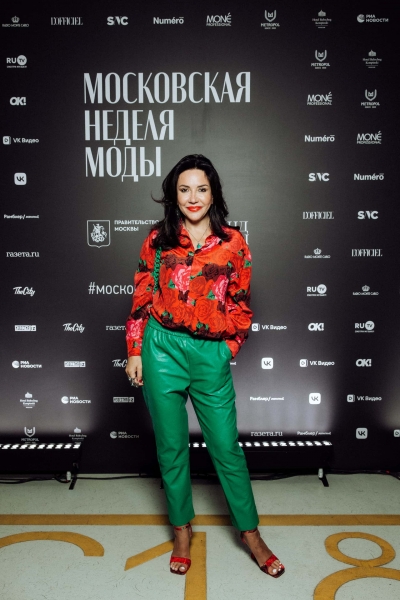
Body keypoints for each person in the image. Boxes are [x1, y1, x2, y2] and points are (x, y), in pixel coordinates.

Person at [125, 154, 284, 578]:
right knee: (171, 448)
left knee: (226, 449)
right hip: (162, 349)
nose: (192, 197)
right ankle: (182, 530)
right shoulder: (158, 240)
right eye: (184, 189)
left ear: (214, 194)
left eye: (201, 189)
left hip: (210, 354)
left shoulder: (234, 243)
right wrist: (136, 350)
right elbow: (142, 295)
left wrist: (227, 348)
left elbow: (241, 303)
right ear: (173, 195)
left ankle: (250, 533)